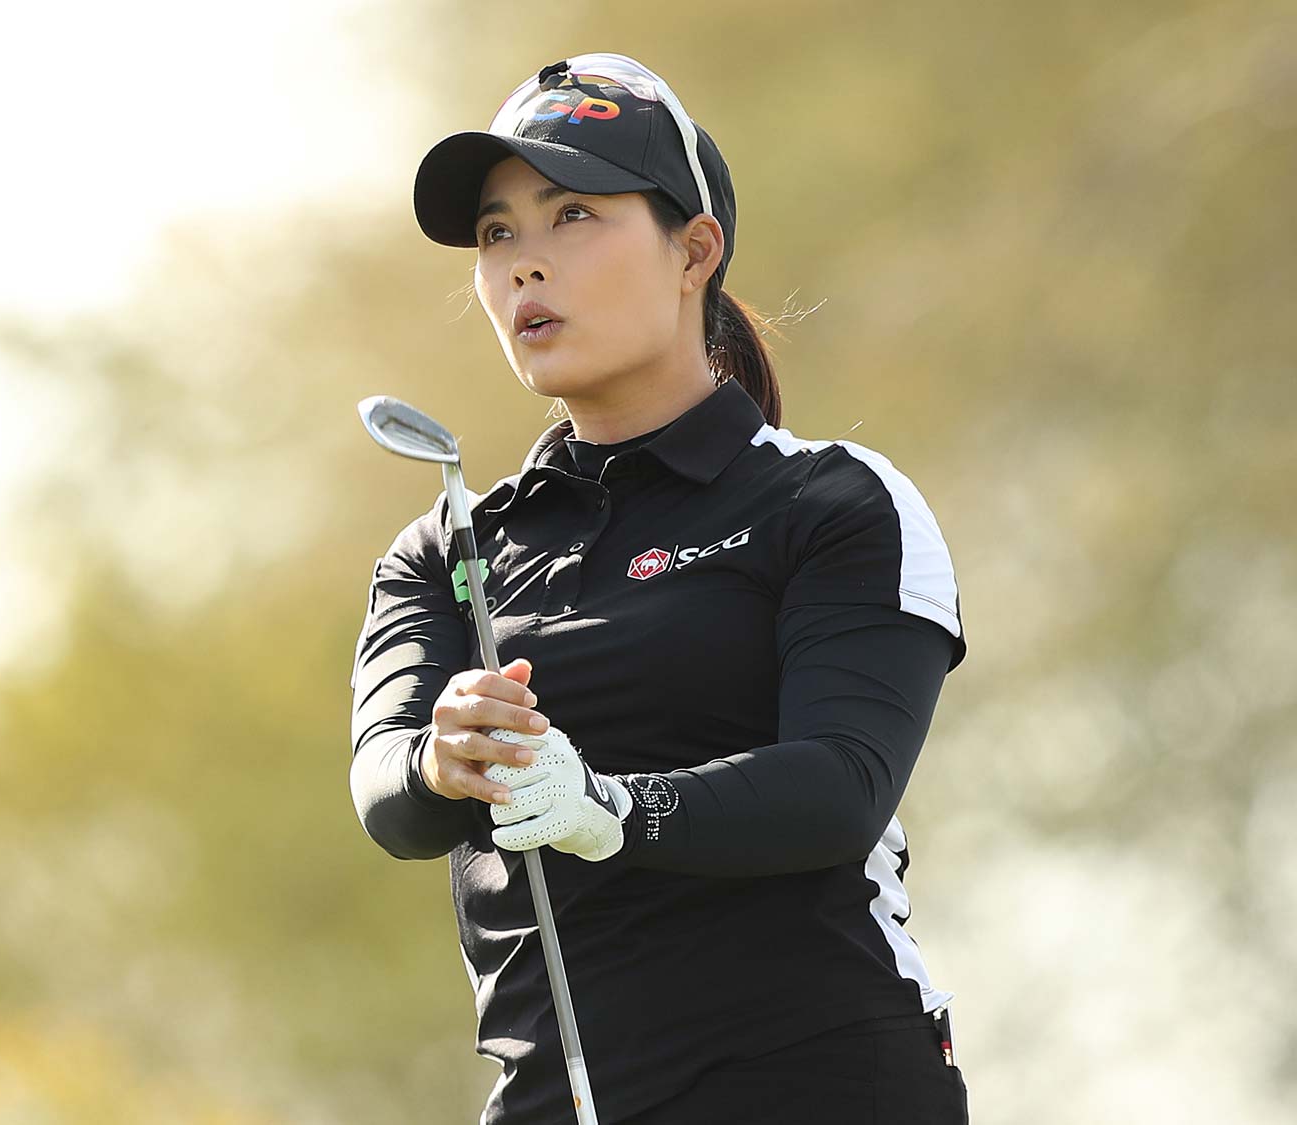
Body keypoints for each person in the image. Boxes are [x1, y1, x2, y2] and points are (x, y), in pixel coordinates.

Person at [348, 53, 972, 1124]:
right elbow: (389, 800)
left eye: (572, 214)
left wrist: (612, 811)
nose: (521, 267)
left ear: (694, 251)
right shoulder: (448, 548)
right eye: (497, 233)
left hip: (824, 1091)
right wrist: (440, 754)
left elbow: (839, 784)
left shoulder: (831, 501)